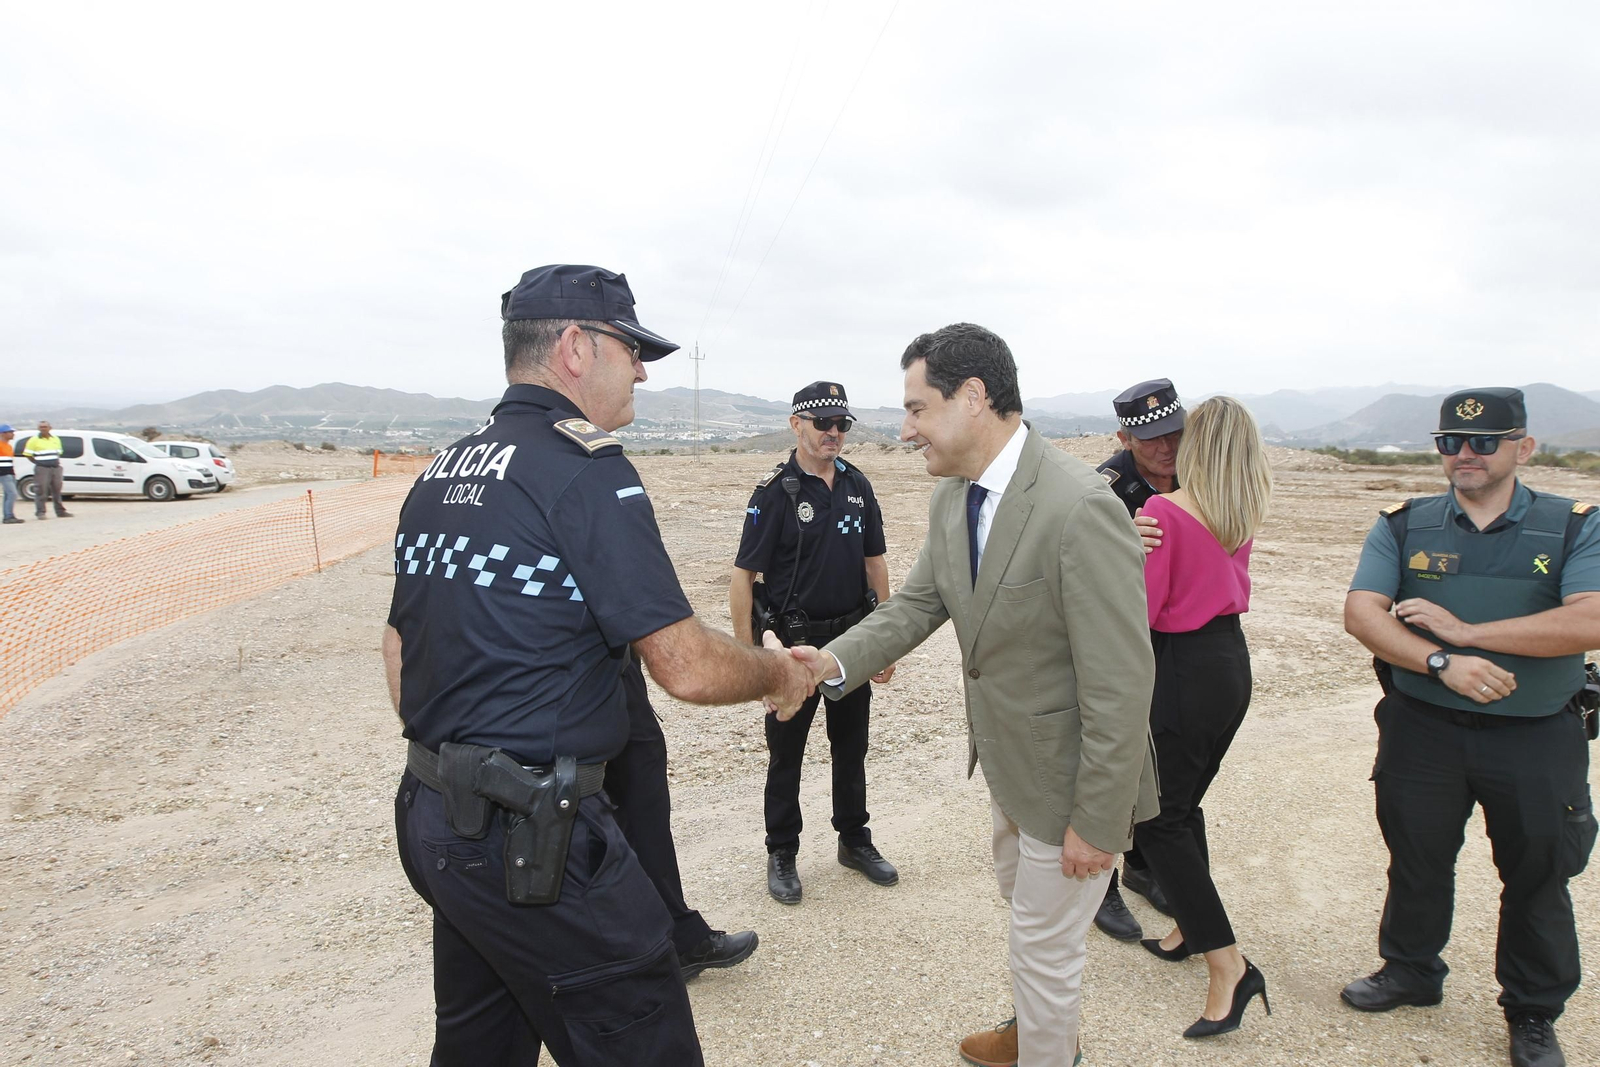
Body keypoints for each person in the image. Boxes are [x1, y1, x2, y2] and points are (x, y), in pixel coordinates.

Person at [383, 263, 813, 1066]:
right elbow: (684, 664)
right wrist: (779, 672)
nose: (643, 371)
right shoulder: (584, 467)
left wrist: (466, 752)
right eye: (632, 349)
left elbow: (400, 648)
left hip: (438, 815)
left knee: (479, 1044)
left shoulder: (444, 469)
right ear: (576, 348)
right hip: (535, 843)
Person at [785, 323, 1159, 1067]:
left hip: (1071, 784)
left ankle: (1047, 1052)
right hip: (1011, 769)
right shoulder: (954, 497)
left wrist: (1097, 821)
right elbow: (916, 605)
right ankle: (1035, 1031)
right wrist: (823, 664)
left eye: (917, 408)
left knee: (1045, 946)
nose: (905, 430)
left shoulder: (1080, 505)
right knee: (1030, 921)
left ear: (974, 397)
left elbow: (1121, 683)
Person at [1340, 387, 1599, 1067]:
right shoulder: (1404, 524)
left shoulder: (1574, 525)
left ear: (1523, 447)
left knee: (1538, 872)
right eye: (1450, 442)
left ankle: (1533, 1010)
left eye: (1484, 442)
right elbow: (1363, 612)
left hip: (1534, 733)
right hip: (1423, 728)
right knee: (1417, 858)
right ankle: (1410, 969)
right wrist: (1440, 662)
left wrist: (1468, 634)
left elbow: (1591, 618)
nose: (1465, 454)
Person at [1130, 396, 1273, 1039]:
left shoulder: (1164, 511)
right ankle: (1190, 926)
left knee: (1158, 819)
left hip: (1181, 668)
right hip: (1228, 663)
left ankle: (1229, 966)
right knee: (1183, 807)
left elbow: (1142, 611)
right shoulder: (1237, 511)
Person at [729, 381, 897, 903]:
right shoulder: (774, 492)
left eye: (842, 424)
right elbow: (743, 578)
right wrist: (752, 660)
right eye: (823, 423)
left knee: (851, 749)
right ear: (796, 424)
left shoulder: (857, 485)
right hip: (792, 651)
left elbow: (875, 564)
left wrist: (884, 640)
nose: (834, 432)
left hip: (849, 644)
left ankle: (854, 840)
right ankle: (782, 850)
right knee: (787, 756)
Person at [1088, 379, 1185, 940]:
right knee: (1115, 760)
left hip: (1174, 639)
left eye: (1174, 434)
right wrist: (1118, 539)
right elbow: (1074, 566)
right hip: (1116, 643)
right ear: (1125, 438)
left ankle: (1145, 867)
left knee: (1164, 759)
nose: (1166, 448)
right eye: (1151, 439)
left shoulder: (1197, 476)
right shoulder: (1105, 488)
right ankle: (1100, 886)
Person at [608, 655, 759, 978]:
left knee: (634, 818)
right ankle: (677, 942)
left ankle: (662, 941)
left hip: (607, 677)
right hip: (591, 681)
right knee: (633, 817)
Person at [23, 420, 70, 519]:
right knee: (41, 490)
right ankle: (40, 512)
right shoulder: (33, 440)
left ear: (50, 428)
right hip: (42, 468)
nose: (43, 429)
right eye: (41, 427)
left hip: (55, 467)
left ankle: (60, 511)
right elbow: (28, 454)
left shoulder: (55, 439)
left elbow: (58, 453)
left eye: (45, 427)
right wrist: (39, 463)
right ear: (38, 428)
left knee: (57, 490)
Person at [0, 424, 21, 524]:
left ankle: (8, 515)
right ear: (3, 434)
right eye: (10, 432)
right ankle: (8, 516)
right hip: (3, 473)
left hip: (9, 471)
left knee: (8, 494)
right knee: (12, 493)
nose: (13, 434)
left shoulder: (8, 446)